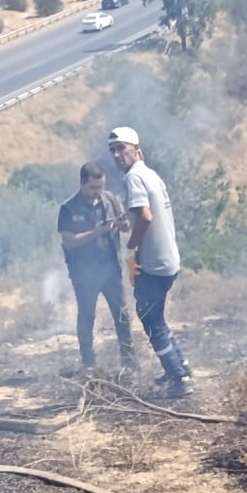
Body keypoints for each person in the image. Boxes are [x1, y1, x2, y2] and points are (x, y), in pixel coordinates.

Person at [107, 126, 193, 398]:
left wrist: (131, 247)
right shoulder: (150, 174)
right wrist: (124, 223)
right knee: (156, 317)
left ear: (136, 147)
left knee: (150, 320)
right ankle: (180, 367)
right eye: (113, 150)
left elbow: (145, 217)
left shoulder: (133, 178)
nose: (117, 154)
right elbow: (144, 215)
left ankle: (179, 380)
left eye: (121, 147)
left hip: (153, 265)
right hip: (169, 260)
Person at [57, 161, 136, 375]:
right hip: (84, 273)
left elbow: (127, 225)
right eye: (93, 188)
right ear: (82, 184)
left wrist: (122, 224)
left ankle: (129, 362)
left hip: (111, 269)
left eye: (100, 187)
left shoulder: (110, 200)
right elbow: (69, 241)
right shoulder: (68, 208)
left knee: (122, 315)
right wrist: (95, 233)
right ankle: (89, 364)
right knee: (87, 316)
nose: (97, 193)